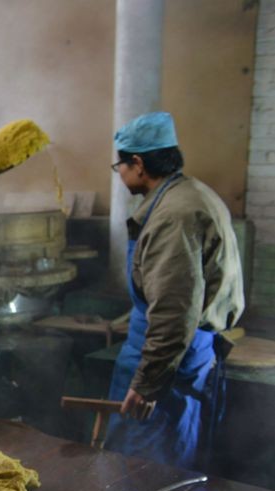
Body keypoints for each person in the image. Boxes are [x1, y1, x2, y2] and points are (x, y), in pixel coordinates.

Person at [104, 111, 244, 470]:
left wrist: (147, 385)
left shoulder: (174, 216)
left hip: (169, 356)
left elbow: (174, 311)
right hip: (178, 347)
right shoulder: (191, 194)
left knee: (145, 466)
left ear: (138, 164)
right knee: (166, 453)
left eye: (119, 166)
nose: (119, 174)